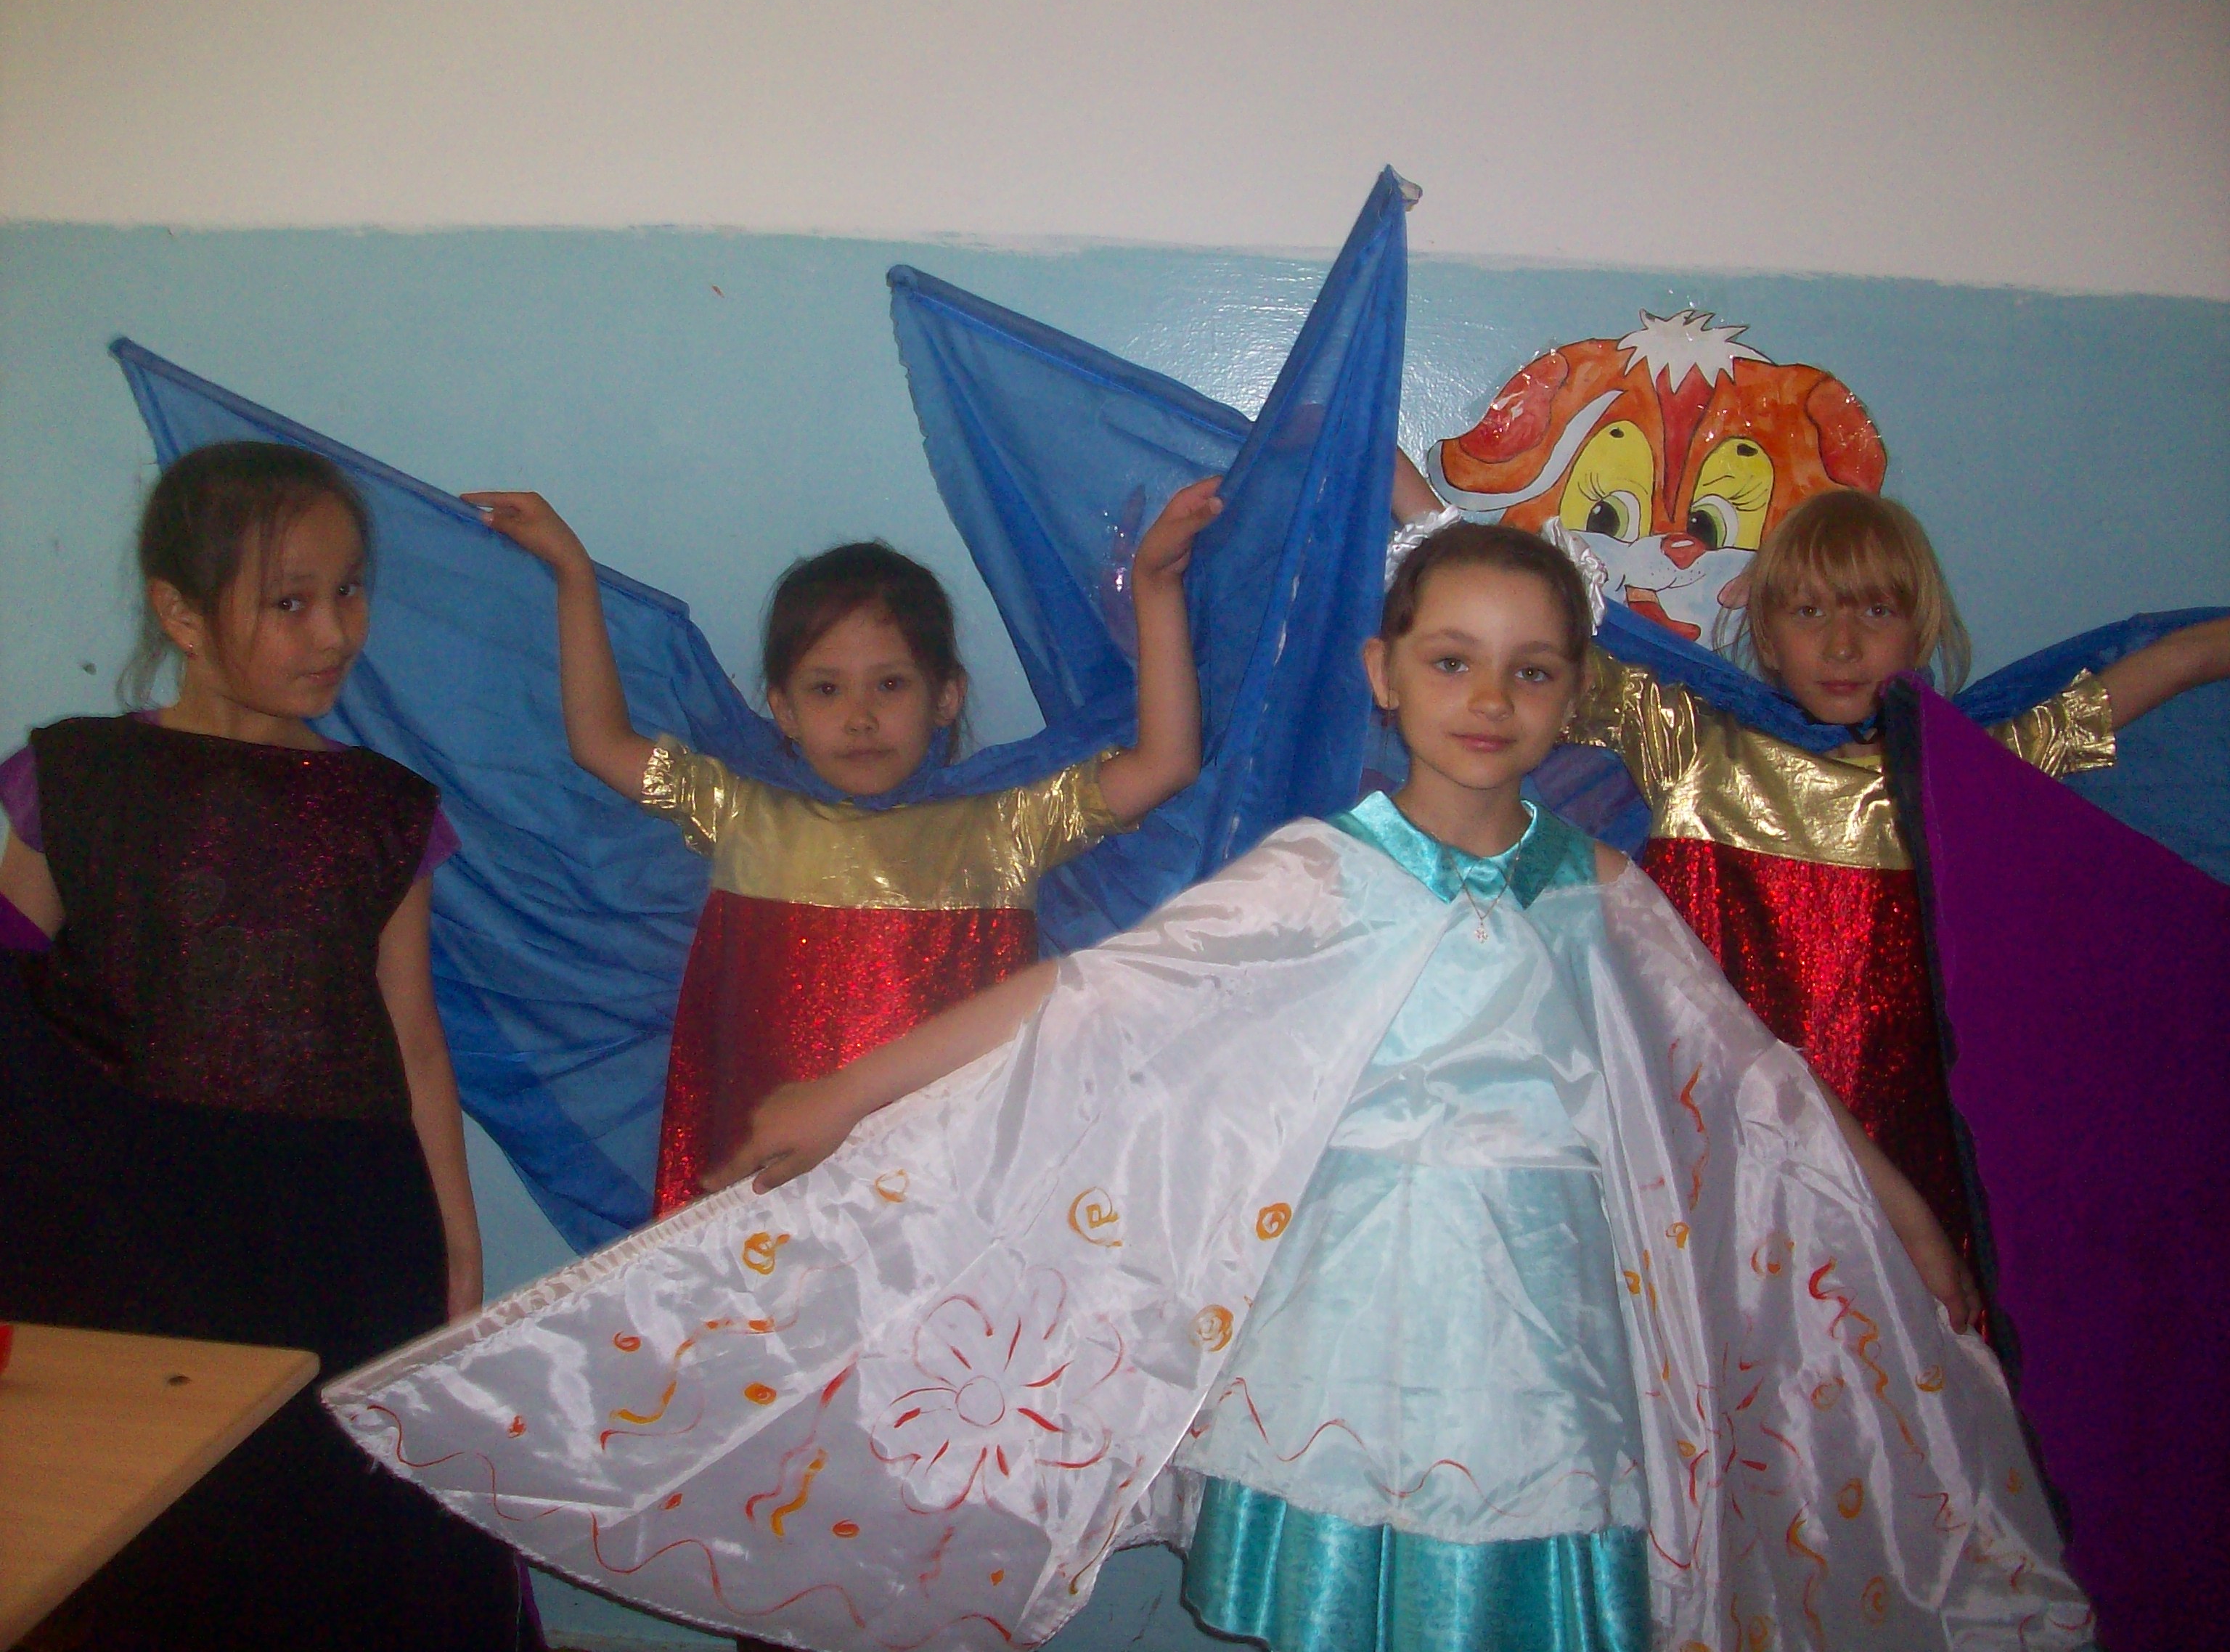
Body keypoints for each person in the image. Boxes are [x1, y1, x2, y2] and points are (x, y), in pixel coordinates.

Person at [325, 522, 2091, 1652]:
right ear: (1385, 675)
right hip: (1352, 1325)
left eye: (1530, 668)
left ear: (1572, 700)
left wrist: (1901, 1209)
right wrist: (850, 1092)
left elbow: (1744, 1073)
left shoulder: (1601, 892)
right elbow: (1093, 993)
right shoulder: (1322, 871)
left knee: (1532, 1594)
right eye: (1452, 659)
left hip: (1544, 1338)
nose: (1488, 696)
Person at [0, 441, 526, 1648]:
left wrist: (456, 1238)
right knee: (148, 1504)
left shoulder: (384, 808)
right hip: (128, 1215)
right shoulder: (78, 776)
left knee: (331, 1502)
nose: (335, 631)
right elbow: (9, 997)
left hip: (336, 1217)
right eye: (290, 601)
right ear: (181, 613)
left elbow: (413, 1033)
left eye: (349, 591)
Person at [472, 483, 1217, 1216]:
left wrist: (1154, 589)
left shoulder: (1005, 827)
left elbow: (1166, 762)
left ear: (945, 697)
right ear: (784, 709)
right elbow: (601, 744)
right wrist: (573, 575)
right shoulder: (744, 814)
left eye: (889, 684)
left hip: (951, 1195)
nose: (859, 717)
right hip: (770, 1191)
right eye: (826, 690)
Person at [1569, 488, 2230, 1283]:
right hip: (1714, 1171)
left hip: (1911, 1186)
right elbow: (1521, 639)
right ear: (1767, 635)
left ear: (1921, 631)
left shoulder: (1961, 778)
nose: (1843, 645)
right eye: (1809, 613)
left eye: (1876, 612)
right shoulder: (1690, 748)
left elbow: (2181, 662)